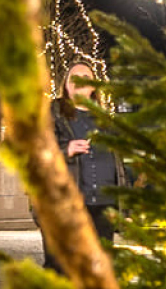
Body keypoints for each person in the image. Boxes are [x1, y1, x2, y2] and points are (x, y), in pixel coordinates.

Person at [46, 61, 122, 272]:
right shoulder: (53, 113)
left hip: (105, 206)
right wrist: (66, 150)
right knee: (65, 267)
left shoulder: (106, 119)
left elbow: (120, 160)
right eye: (74, 77)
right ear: (66, 85)